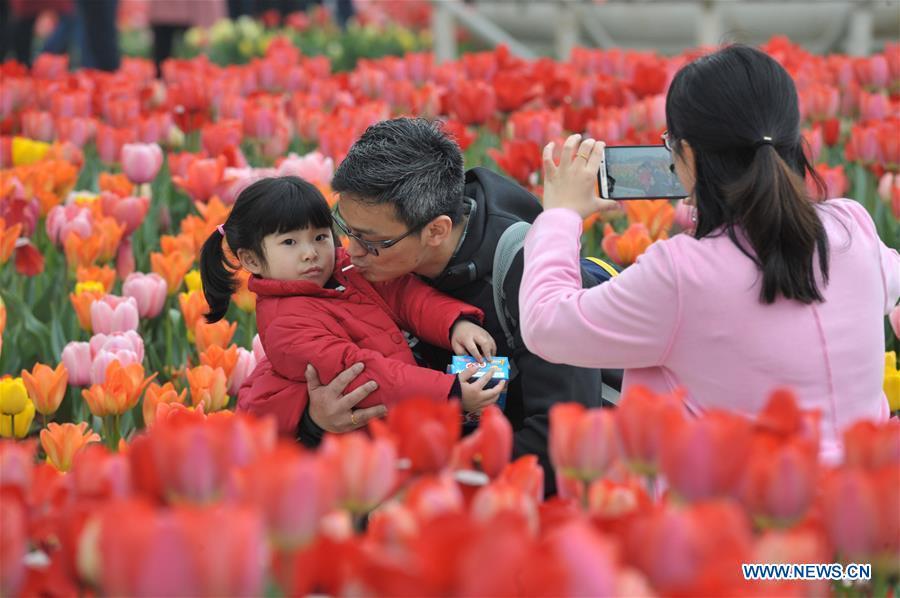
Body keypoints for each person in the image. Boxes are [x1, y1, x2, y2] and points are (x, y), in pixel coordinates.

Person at [519, 45, 900, 464]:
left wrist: (559, 215)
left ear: (688, 156)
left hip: (737, 514)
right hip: (868, 499)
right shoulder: (853, 230)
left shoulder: (682, 274)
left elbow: (546, 325)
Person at [242, 118, 607, 495]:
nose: (350, 252)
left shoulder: (529, 273)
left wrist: (436, 483)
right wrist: (314, 422)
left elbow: (562, 436)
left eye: (371, 241)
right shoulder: (356, 270)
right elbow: (286, 371)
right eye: (344, 230)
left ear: (436, 231)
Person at [200, 176, 505, 436]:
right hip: (365, 440)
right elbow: (358, 370)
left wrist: (453, 323)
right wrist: (449, 393)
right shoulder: (285, 325)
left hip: (408, 408)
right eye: (290, 243)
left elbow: (403, 294)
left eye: (319, 237)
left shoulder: (346, 268)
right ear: (252, 260)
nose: (311, 253)